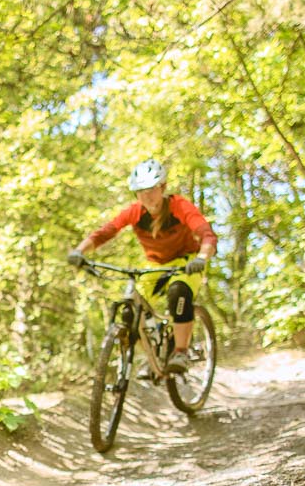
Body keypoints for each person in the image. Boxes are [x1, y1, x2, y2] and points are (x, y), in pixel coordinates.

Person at [69, 159, 216, 373]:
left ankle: (181, 352)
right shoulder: (135, 212)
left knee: (179, 293)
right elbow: (106, 232)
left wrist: (202, 257)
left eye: (151, 189)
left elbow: (206, 234)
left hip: (186, 261)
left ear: (163, 187)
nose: (147, 196)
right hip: (155, 265)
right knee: (130, 311)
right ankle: (152, 353)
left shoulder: (179, 206)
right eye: (140, 191)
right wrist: (79, 251)